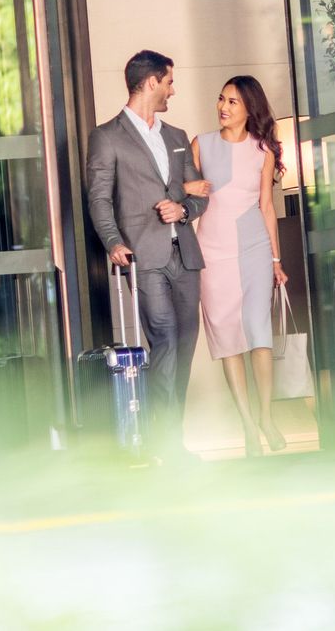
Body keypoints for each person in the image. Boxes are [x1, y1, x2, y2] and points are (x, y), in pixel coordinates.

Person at [86, 49, 209, 454]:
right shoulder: (106, 137)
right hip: (143, 256)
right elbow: (100, 198)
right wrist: (113, 241)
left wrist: (184, 207)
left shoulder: (176, 137)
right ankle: (167, 443)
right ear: (151, 82)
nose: (173, 90)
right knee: (166, 340)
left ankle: (170, 436)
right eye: (169, 81)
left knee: (186, 343)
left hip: (186, 256)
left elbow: (200, 195)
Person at [189, 75, 290, 457]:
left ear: (249, 108)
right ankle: (248, 425)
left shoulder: (263, 150)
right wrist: (185, 189)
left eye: (232, 101)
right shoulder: (201, 144)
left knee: (258, 333)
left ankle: (266, 416)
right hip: (211, 251)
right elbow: (181, 188)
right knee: (228, 336)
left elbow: (267, 205)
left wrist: (276, 259)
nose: (223, 107)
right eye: (220, 99)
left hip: (254, 248)